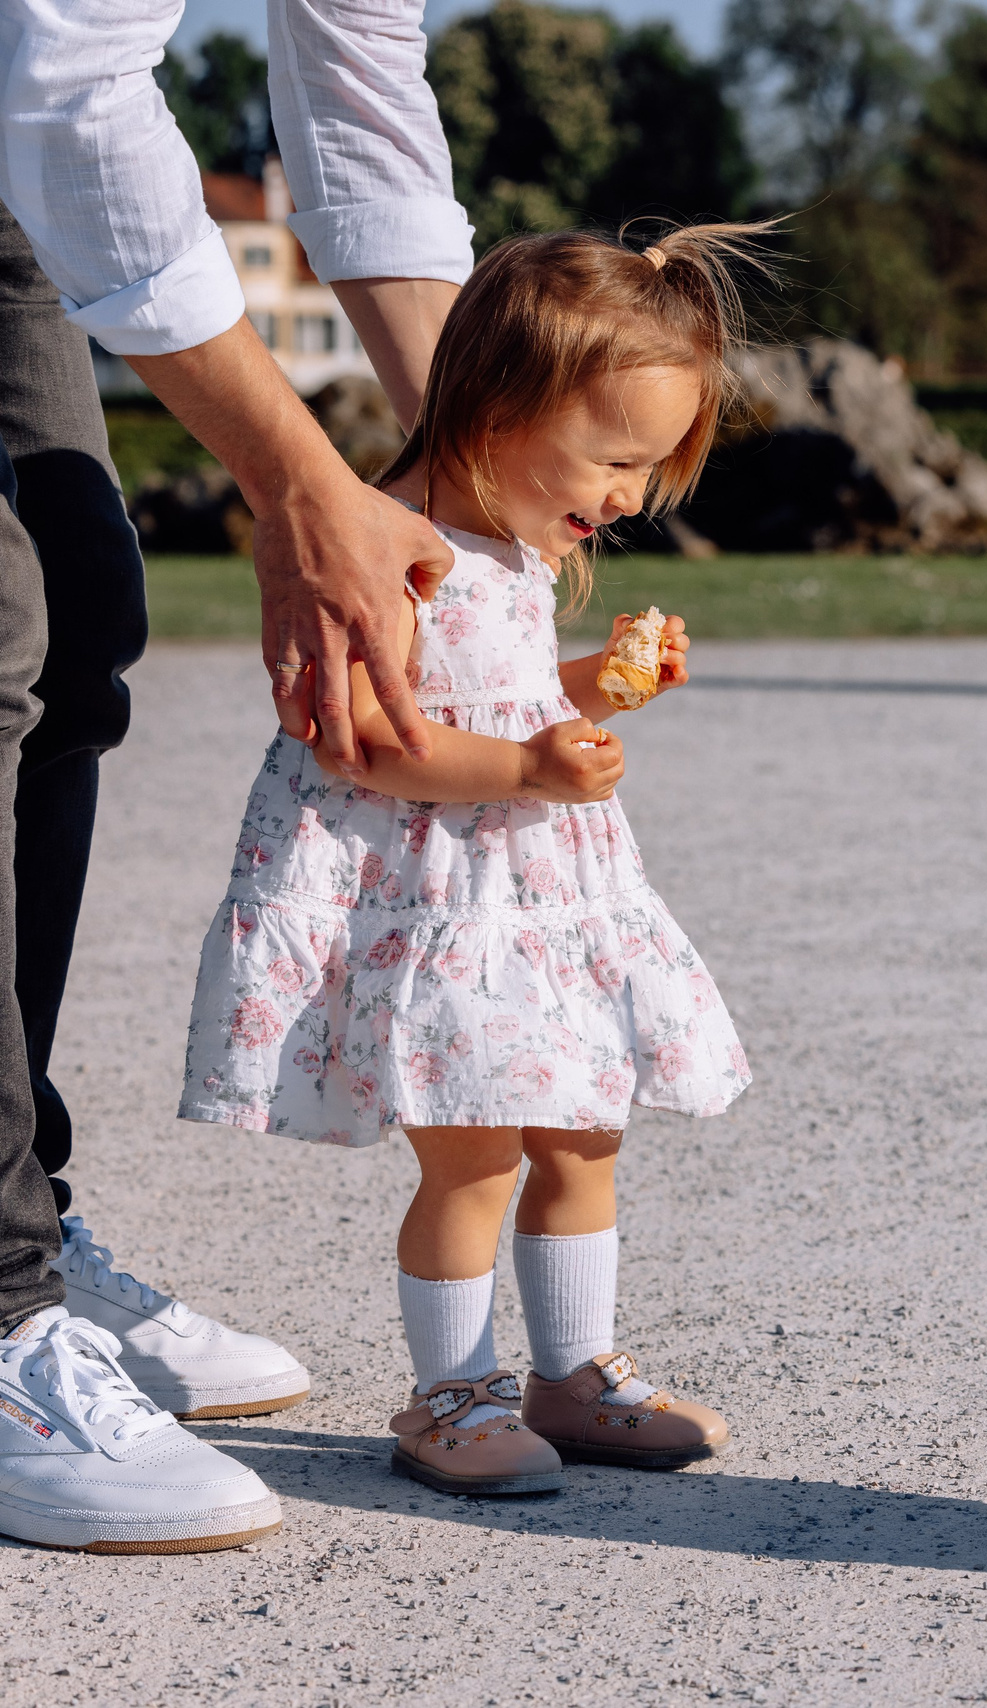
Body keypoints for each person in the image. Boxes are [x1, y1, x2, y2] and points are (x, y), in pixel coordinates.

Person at [176, 225, 760, 1496]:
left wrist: (589, 688)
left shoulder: (517, 554)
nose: (623, 500)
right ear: (498, 407)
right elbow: (370, 747)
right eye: (614, 461)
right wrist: (534, 771)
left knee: (582, 1134)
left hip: (535, 896)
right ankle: (450, 1393)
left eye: (645, 473)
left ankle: (573, 1372)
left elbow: (492, 697)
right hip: (442, 904)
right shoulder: (390, 548)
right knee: (475, 1149)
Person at [0, 1, 469, 1551]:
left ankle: (22, 1222)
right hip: (31, 96)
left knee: (79, 619)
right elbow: (69, 82)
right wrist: (296, 481)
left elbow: (360, 105)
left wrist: (483, 491)